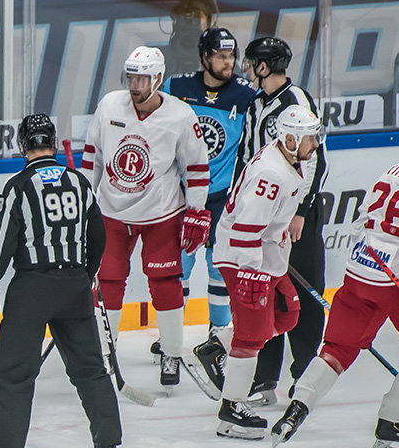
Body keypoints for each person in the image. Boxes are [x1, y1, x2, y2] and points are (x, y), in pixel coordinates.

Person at [272, 127, 399, 448]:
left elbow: (360, 224)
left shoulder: (392, 171)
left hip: (360, 269)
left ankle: (297, 408)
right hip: (397, 282)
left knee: (337, 349)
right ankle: (390, 427)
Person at [0, 114, 121, 448]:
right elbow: (99, 236)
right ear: (53, 145)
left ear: (22, 146)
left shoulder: (19, 186)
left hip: (32, 288)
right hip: (74, 285)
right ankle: (108, 443)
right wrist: (84, 275)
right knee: (89, 367)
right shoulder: (79, 182)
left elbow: (3, 239)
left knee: (13, 375)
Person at [81, 46, 211, 392]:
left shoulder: (181, 116)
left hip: (161, 212)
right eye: (131, 77)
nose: (135, 85)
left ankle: (170, 353)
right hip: (111, 210)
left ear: (158, 79)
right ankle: (106, 354)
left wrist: (196, 211)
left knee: (165, 281)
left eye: (142, 78)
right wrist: (83, 202)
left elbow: (196, 169)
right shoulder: (110, 105)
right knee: (108, 282)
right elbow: (92, 156)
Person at [211, 105, 324, 439]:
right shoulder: (270, 174)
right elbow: (245, 228)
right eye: (310, 138)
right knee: (253, 333)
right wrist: (250, 274)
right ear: (290, 138)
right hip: (243, 258)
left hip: (267, 255)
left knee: (287, 315)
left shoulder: (288, 159)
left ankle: (216, 346)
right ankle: (231, 409)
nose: (315, 144)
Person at [230, 36, 329, 406]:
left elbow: (316, 160)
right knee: (265, 289)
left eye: (252, 62)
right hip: (266, 210)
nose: (247, 67)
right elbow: (245, 156)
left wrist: (300, 210)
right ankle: (263, 378)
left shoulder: (297, 102)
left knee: (303, 294)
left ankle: (304, 374)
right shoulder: (255, 103)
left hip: (295, 211)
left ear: (264, 66)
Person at [154, 27, 258, 367]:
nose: (228, 62)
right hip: (181, 193)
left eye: (231, 56)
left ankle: (218, 334)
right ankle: (170, 338)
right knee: (178, 268)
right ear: (204, 58)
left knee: (218, 267)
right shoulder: (177, 87)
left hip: (222, 195)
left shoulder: (246, 95)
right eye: (221, 56)